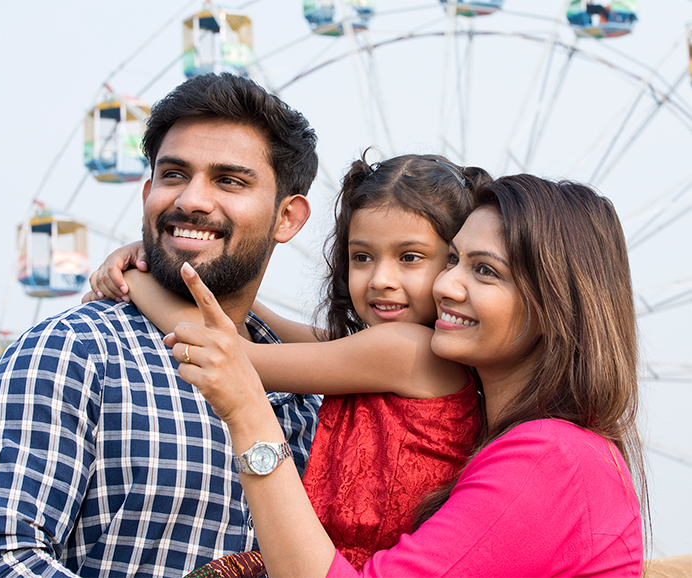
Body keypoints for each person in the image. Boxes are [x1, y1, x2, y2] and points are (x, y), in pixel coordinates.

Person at [164, 173, 648, 577]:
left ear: (556, 304)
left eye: (485, 271)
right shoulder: (529, 449)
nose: (446, 284)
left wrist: (250, 416)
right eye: (455, 260)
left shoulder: (552, 459)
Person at [0, 73, 323, 577]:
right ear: (147, 191)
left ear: (288, 218)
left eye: (229, 180)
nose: (191, 200)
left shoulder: (313, 396)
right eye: (173, 175)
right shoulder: (70, 352)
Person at [85, 153, 492, 569]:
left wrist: (134, 279)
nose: (380, 279)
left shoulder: (407, 350)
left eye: (410, 258)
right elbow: (263, 319)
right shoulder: (381, 349)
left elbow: (238, 356)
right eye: (362, 257)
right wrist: (169, 259)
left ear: (453, 265)